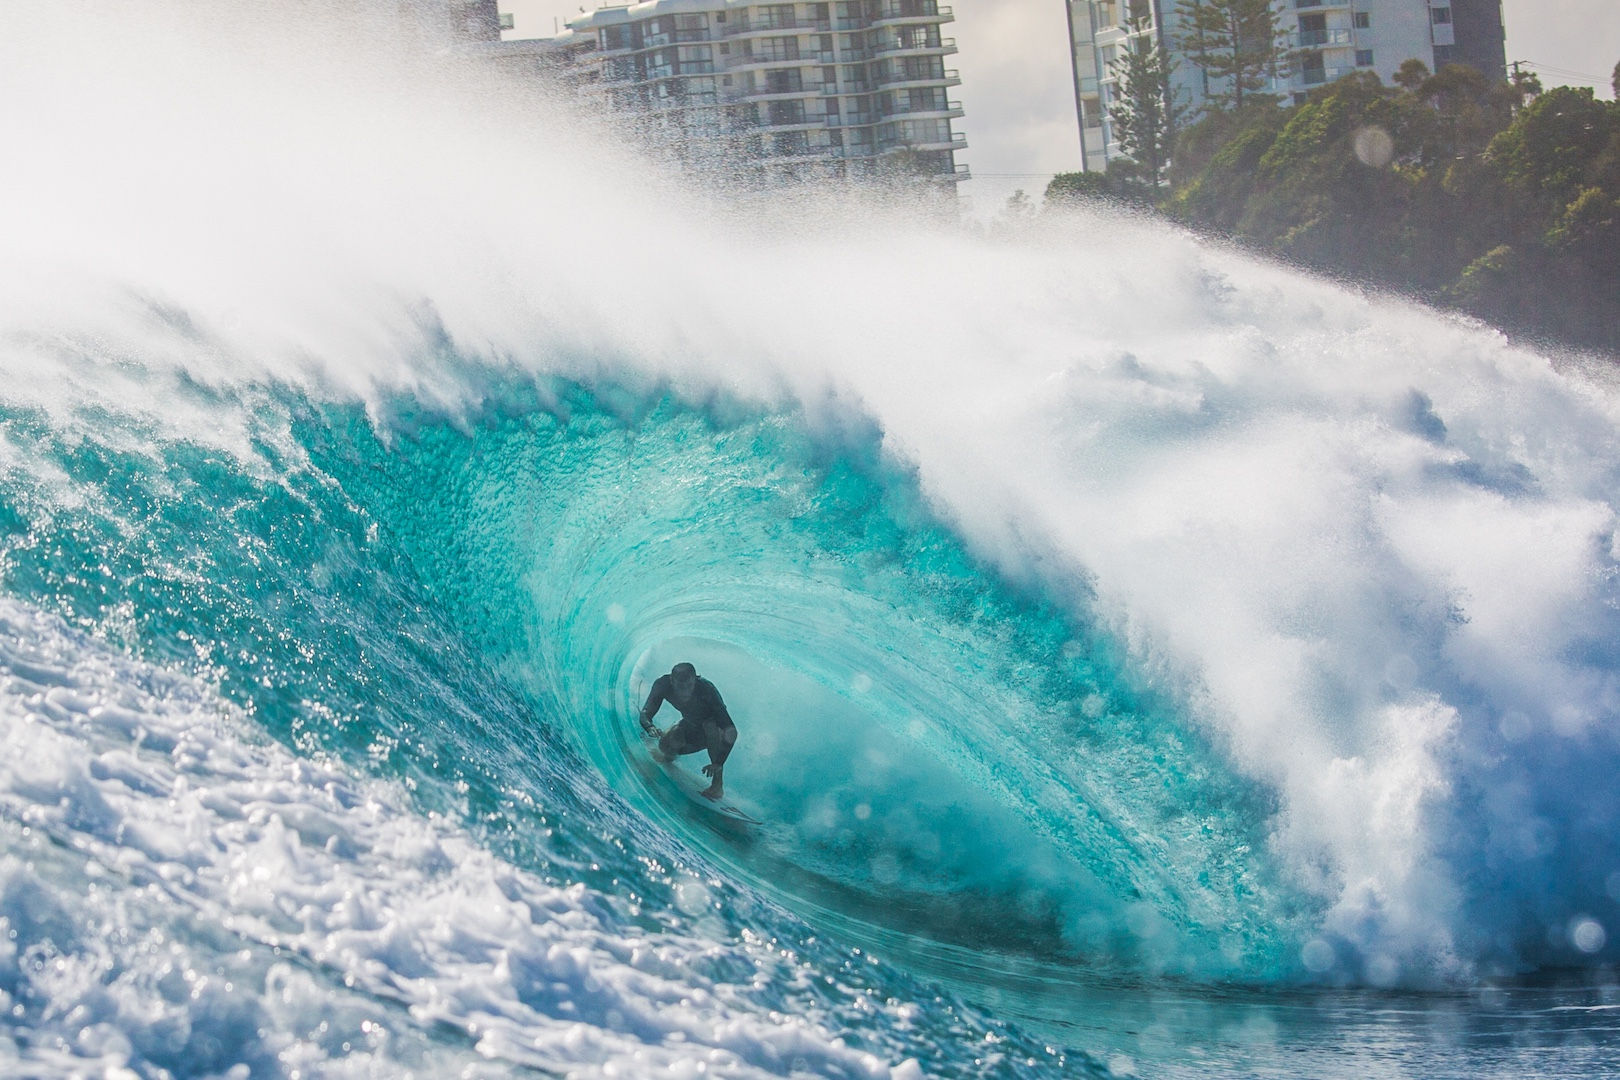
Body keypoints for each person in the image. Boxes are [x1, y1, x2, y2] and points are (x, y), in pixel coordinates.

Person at [638, 662, 738, 801]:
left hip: (714, 735)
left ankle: (717, 785)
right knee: (665, 747)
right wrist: (650, 727)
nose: (684, 691)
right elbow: (645, 713)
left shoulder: (707, 691)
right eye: (680, 686)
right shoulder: (663, 685)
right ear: (672, 681)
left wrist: (718, 763)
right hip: (690, 727)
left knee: (710, 725)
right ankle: (669, 757)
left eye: (689, 686)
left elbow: (731, 731)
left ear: (695, 680)